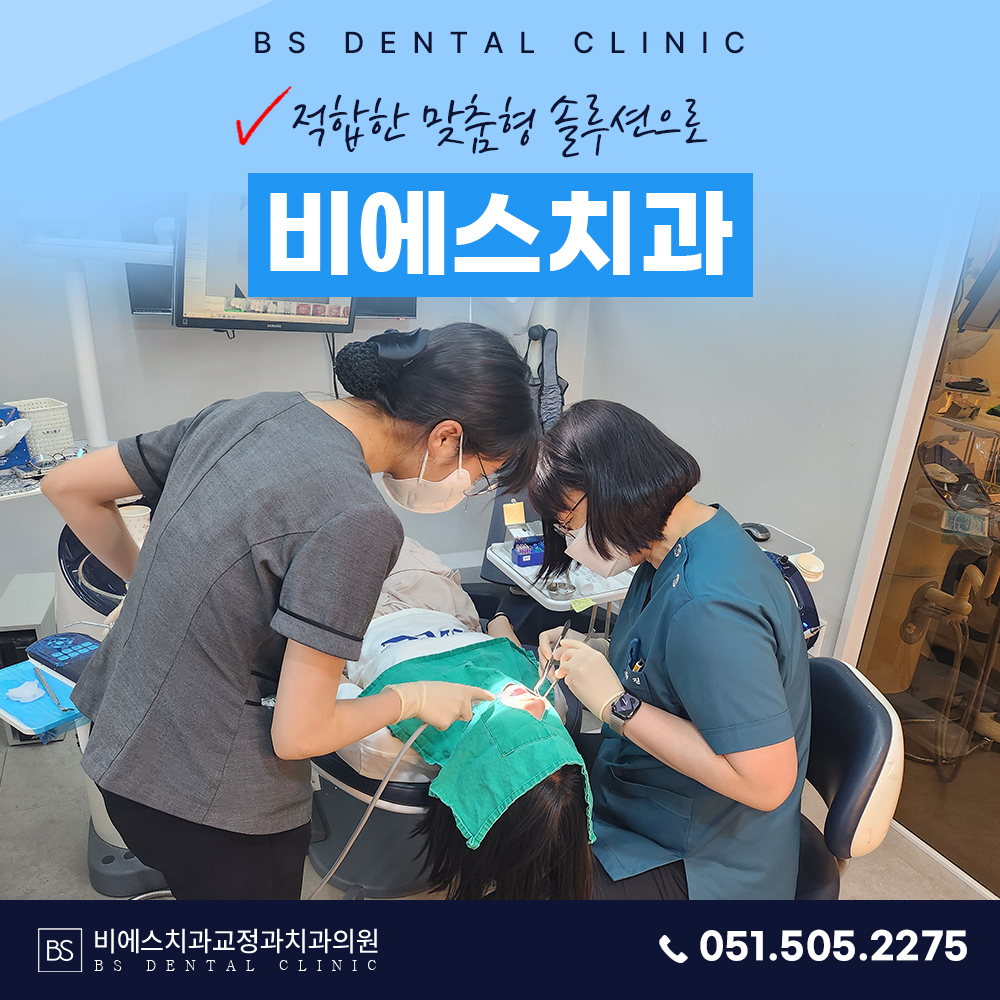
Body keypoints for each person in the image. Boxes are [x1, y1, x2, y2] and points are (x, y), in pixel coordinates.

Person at [39, 323, 540, 900]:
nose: (469, 485)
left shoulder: (251, 411)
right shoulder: (357, 518)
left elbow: (67, 486)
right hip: (211, 804)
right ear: (447, 436)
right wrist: (412, 698)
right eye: (482, 473)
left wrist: (152, 580)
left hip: (118, 745)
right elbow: (300, 734)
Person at [529, 399, 811, 900]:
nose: (569, 540)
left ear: (611, 490)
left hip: (707, 860)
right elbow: (667, 660)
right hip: (651, 793)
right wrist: (587, 652)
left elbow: (767, 784)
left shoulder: (709, 604)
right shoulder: (675, 548)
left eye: (568, 522)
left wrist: (617, 704)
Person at [333, 546, 593, 899]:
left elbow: (320, 696)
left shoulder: (387, 743)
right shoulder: (547, 703)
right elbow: (504, 637)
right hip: (439, 596)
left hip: (357, 616)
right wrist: (500, 622)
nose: (531, 713)